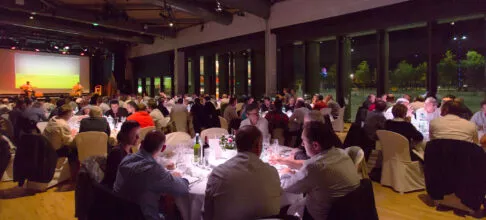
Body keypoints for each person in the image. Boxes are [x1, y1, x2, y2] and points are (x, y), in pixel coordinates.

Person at [280, 121, 360, 220]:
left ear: (315, 145)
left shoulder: (314, 167)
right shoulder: (341, 153)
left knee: (283, 210)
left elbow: (287, 186)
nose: (302, 144)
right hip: (348, 213)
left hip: (320, 216)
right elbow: (314, 167)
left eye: (303, 141)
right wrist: (288, 163)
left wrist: (285, 173)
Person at [204, 125, 281, 220]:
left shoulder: (218, 174)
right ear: (258, 146)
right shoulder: (272, 173)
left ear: (236, 145)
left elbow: (207, 213)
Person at [114, 131, 189, 220]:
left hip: (121, 213)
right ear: (163, 148)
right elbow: (182, 188)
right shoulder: (154, 170)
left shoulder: (126, 159)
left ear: (142, 143)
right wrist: (178, 178)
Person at [102, 120, 140, 188]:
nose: (138, 137)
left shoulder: (129, 149)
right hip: (113, 192)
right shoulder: (116, 153)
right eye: (135, 134)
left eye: (138, 134)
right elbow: (114, 179)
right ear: (125, 134)